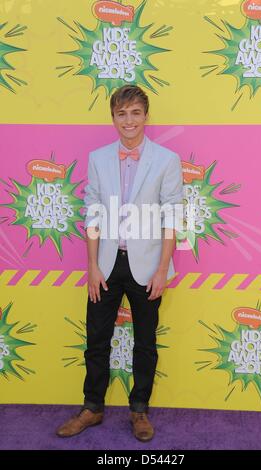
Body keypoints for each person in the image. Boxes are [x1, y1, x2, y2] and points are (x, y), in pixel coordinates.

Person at [56, 85, 183, 442]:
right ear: (113, 117)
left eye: (135, 113)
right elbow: (92, 212)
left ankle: (139, 410)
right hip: (107, 264)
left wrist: (162, 269)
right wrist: (92, 266)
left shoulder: (166, 160)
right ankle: (92, 406)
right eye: (121, 114)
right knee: (97, 339)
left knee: (145, 342)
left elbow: (172, 217)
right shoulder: (97, 158)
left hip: (148, 266)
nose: (129, 121)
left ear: (146, 116)